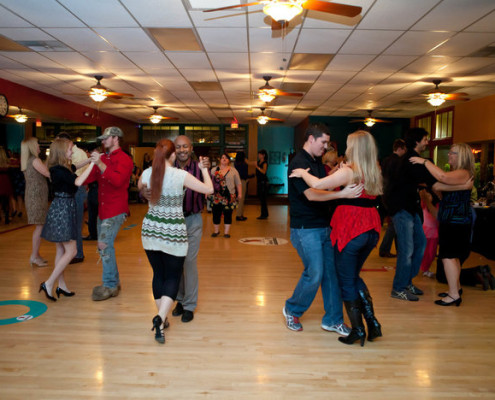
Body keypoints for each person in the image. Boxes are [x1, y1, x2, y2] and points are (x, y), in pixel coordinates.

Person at [291, 130, 383, 346]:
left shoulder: (351, 171)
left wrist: (303, 174)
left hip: (352, 229)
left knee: (346, 280)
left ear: (355, 148)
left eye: (349, 144)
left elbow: (317, 185)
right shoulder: (374, 170)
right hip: (371, 228)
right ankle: (372, 322)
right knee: (353, 275)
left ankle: (358, 330)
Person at [283, 123, 363, 336]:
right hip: (304, 228)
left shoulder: (316, 162)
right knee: (315, 272)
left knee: (331, 274)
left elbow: (322, 185)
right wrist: (342, 194)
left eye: (328, 142)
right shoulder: (298, 163)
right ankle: (292, 309)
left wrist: (336, 174)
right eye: (323, 142)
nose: (326, 147)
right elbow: (311, 194)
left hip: (324, 226)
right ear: (311, 139)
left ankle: (333, 320)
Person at [138, 139, 213, 344]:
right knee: (172, 276)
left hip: (151, 231)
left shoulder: (147, 173)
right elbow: (209, 190)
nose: (181, 150)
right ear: (172, 155)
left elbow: (140, 188)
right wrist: (205, 172)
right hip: (173, 232)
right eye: (177, 148)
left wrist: (145, 192)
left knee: (159, 275)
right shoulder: (180, 175)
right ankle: (160, 317)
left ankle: (163, 318)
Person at [410, 143, 475, 306]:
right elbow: (437, 186)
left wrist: (425, 162)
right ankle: (456, 288)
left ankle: (453, 294)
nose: (449, 155)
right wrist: (462, 186)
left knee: (448, 256)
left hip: (456, 220)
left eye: (452, 153)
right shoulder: (459, 174)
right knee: (453, 256)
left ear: (461, 156)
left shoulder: (463, 172)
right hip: (452, 219)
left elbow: (442, 180)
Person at [38, 138, 95, 301]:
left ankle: (61, 285)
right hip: (62, 209)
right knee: (72, 250)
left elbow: (75, 167)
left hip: (63, 207)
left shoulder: (63, 168)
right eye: (70, 149)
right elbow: (77, 181)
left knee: (61, 250)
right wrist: (92, 165)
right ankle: (48, 283)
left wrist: (89, 159)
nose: (72, 151)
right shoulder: (58, 170)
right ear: (63, 151)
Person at [385, 128, 436, 301]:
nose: (427, 142)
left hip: (410, 209)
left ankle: (406, 282)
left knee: (420, 243)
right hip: (402, 209)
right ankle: (399, 287)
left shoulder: (413, 159)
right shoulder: (411, 160)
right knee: (407, 250)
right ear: (417, 141)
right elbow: (430, 180)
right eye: (425, 139)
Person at [84, 127, 133, 301]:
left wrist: (100, 164)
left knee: (104, 245)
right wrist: (86, 163)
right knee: (105, 246)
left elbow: (118, 181)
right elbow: (89, 179)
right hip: (103, 210)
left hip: (116, 209)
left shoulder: (125, 159)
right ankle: (114, 281)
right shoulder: (103, 158)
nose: (103, 141)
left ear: (116, 138)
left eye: (106, 138)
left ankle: (110, 284)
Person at [171, 135, 210, 322]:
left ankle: (189, 305)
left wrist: (207, 171)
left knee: (189, 262)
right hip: (173, 223)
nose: (181, 150)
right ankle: (180, 299)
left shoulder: (199, 168)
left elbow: (214, 187)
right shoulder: (169, 168)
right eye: (178, 147)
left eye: (185, 146)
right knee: (176, 263)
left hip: (193, 221)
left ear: (191, 147)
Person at [57, 133, 91, 264]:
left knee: (75, 224)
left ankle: (77, 254)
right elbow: (74, 169)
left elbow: (74, 176)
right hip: (76, 190)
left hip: (76, 190)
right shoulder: (74, 155)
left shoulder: (75, 154)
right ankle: (73, 253)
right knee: (74, 224)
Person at [21, 137, 50, 267]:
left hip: (34, 195)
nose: (39, 146)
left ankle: (36, 254)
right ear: (32, 146)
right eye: (37, 144)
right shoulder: (35, 160)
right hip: (36, 196)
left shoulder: (27, 160)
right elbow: (48, 173)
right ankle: (34, 256)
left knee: (40, 226)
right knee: (39, 226)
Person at [379, 139, 406, 258]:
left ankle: (396, 249)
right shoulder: (399, 162)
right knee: (394, 224)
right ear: (400, 148)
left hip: (385, 194)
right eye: (404, 149)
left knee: (394, 223)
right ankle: (385, 249)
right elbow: (398, 180)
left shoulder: (385, 160)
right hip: (394, 195)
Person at [210, 153, 242, 238]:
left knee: (228, 214)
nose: (224, 159)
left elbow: (238, 183)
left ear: (229, 160)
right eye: (222, 157)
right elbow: (209, 182)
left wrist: (240, 193)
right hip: (216, 196)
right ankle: (216, 231)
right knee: (216, 214)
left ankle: (226, 232)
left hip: (229, 196)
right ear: (219, 159)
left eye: (226, 158)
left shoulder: (233, 170)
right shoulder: (214, 170)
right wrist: (206, 192)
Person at [419, 188, 439, 278]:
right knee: (427, 253)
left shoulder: (436, 205)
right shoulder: (424, 204)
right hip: (427, 232)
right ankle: (424, 269)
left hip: (433, 233)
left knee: (431, 253)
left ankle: (425, 268)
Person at [234, 151, 252, 221]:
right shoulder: (244, 164)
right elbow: (244, 174)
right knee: (241, 199)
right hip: (242, 181)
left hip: (237, 181)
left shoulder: (235, 164)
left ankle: (240, 214)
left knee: (239, 198)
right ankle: (239, 215)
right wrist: (250, 176)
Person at [254, 149, 269, 220]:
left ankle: (264, 214)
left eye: (260, 154)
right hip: (259, 182)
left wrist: (257, 167)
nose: (258, 155)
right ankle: (264, 214)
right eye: (258, 154)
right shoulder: (258, 162)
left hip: (263, 183)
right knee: (261, 199)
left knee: (263, 199)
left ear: (263, 155)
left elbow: (264, 172)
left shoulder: (264, 163)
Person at [0, 147, 13, 224]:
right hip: (5, 181)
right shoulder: (7, 162)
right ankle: (7, 217)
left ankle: (1, 217)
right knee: (6, 201)